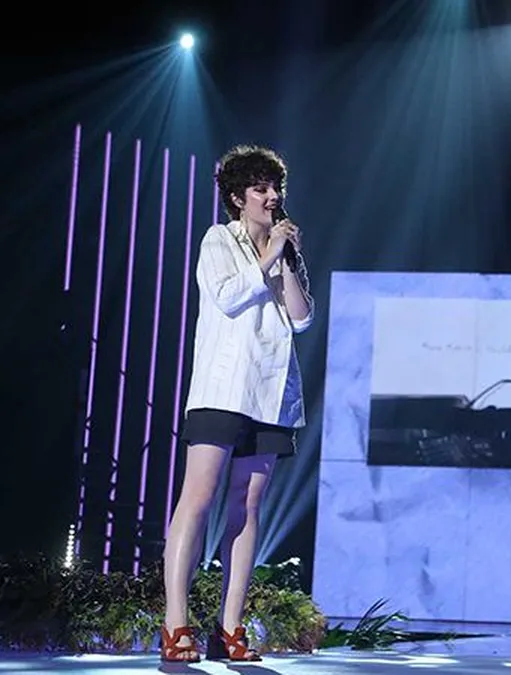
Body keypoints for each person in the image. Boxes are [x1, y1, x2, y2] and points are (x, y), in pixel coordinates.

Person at [159, 145, 313, 663]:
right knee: (198, 498)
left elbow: (302, 318)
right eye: (260, 189)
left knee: (246, 505)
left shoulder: (282, 251)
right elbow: (227, 296)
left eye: (276, 188)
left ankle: (230, 628)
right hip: (223, 391)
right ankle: (175, 623)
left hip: (271, 397)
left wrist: (284, 259)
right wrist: (267, 256)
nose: (272, 197)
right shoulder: (219, 240)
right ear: (236, 197)